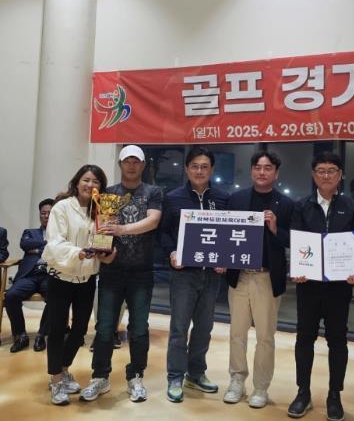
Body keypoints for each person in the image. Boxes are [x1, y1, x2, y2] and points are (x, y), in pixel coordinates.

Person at [80, 145, 162, 403]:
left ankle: (135, 376)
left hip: (141, 272)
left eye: (136, 161)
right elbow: (100, 230)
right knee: (104, 327)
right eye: (127, 161)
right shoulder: (107, 194)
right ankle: (100, 377)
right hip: (111, 271)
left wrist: (122, 229)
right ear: (120, 164)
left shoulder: (153, 192)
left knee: (139, 328)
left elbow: (153, 221)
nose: (131, 165)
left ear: (143, 165)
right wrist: (102, 253)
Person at [287, 152, 354, 421]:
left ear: (340, 175)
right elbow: (296, 240)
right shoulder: (302, 205)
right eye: (321, 170)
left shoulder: (351, 206)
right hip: (308, 285)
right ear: (313, 175)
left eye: (332, 170)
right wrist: (297, 267)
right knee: (304, 338)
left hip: (339, 286)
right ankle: (303, 392)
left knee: (338, 340)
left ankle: (334, 395)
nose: (326, 175)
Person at [223, 151, 294, 408]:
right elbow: (226, 233)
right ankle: (237, 380)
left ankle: (261, 387)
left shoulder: (286, 204)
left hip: (266, 277)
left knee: (265, 336)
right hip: (240, 276)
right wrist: (222, 258)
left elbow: (294, 241)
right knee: (236, 333)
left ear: (276, 172)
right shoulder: (236, 199)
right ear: (252, 170)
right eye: (257, 167)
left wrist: (275, 229)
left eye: (267, 168)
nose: (262, 172)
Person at [160, 147, 229, 403]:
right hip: (183, 275)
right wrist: (171, 253)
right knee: (179, 328)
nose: (199, 171)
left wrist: (224, 258)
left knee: (204, 328)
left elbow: (228, 233)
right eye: (195, 166)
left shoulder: (222, 199)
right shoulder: (173, 198)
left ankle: (196, 374)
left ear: (212, 169)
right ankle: (175, 376)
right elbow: (163, 232)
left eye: (204, 166)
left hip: (211, 276)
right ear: (187, 169)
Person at [42, 165, 114, 405]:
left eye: (96, 182)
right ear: (77, 182)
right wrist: (78, 253)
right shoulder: (62, 207)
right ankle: (55, 380)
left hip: (86, 278)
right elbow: (54, 241)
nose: (90, 185)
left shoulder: (101, 210)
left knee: (80, 329)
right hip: (61, 277)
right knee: (56, 329)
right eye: (86, 180)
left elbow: (103, 240)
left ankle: (63, 368)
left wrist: (106, 253)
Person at [5, 198, 54, 353]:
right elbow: (25, 244)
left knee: (56, 296)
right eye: (43, 213)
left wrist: (36, 249)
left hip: (49, 275)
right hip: (29, 275)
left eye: (49, 213)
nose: (46, 216)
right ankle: (21, 335)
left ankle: (41, 335)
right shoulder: (30, 232)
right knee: (11, 295)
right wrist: (46, 244)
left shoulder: (60, 234)